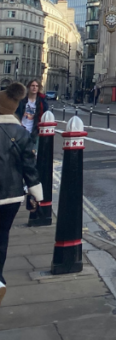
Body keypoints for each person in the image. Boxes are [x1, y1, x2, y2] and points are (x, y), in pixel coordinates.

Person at [1, 82, 43, 304]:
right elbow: (29, 167)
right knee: (2, 236)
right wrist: (37, 194)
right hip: (11, 195)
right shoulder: (20, 133)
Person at [16, 79, 48, 145]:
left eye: (36, 86)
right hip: (21, 130)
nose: (34, 87)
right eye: (32, 85)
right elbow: (16, 113)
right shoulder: (22, 100)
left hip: (34, 131)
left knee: (32, 152)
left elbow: (45, 114)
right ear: (28, 87)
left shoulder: (41, 102)